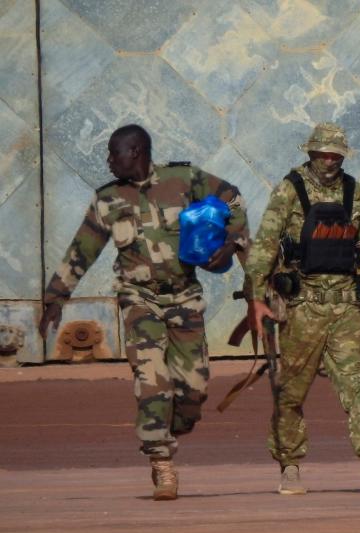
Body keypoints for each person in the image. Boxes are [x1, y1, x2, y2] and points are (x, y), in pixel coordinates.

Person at [39, 124, 249, 500]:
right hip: (139, 299)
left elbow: (233, 199)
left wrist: (233, 241)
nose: (108, 161)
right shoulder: (107, 199)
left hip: (184, 297)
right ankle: (161, 463)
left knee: (193, 391)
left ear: (134, 151)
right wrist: (55, 296)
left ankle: (170, 429)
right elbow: (81, 250)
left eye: (113, 153)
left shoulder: (183, 179)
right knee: (152, 378)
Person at [244, 122, 360, 495]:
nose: (329, 161)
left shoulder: (355, 193)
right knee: (290, 391)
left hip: (346, 307)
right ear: (311, 152)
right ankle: (289, 467)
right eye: (322, 154)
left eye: (335, 155)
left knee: (358, 383)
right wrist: (256, 299)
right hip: (303, 307)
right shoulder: (290, 190)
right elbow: (265, 246)